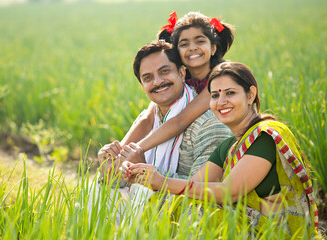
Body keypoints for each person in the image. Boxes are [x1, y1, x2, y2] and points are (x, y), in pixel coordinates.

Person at [122, 62, 319, 238]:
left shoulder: (264, 137)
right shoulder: (228, 146)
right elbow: (193, 185)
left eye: (230, 93)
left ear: (250, 95)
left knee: (198, 214)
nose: (221, 101)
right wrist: (146, 178)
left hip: (273, 232)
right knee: (168, 202)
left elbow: (228, 193)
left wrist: (162, 181)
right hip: (243, 226)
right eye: (215, 95)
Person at [96, 40, 231, 225]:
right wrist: (109, 169)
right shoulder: (149, 118)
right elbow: (121, 185)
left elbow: (206, 192)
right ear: (142, 86)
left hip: (194, 217)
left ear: (182, 73)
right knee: (96, 191)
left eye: (164, 71)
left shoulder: (208, 125)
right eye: (148, 78)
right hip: (159, 205)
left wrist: (144, 172)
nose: (158, 82)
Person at [100, 11, 234, 172]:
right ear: (177, 53)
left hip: (228, 141)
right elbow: (148, 118)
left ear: (213, 48)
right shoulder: (180, 77)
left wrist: (138, 149)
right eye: (184, 44)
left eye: (200, 41)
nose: (192, 48)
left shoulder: (220, 77)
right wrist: (119, 152)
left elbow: (180, 121)